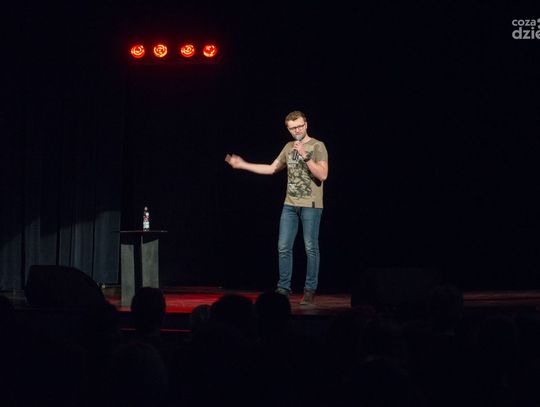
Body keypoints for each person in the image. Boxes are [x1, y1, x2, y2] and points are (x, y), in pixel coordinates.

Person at [225, 110, 329, 305]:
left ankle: (309, 290)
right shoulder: (288, 147)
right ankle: (283, 289)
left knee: (310, 247)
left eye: (299, 126)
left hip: (311, 205)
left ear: (306, 124)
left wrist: (305, 155)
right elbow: (272, 168)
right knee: (283, 246)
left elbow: (323, 175)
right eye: (292, 128)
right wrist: (243, 165)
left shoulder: (317, 146)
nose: (297, 130)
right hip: (290, 205)